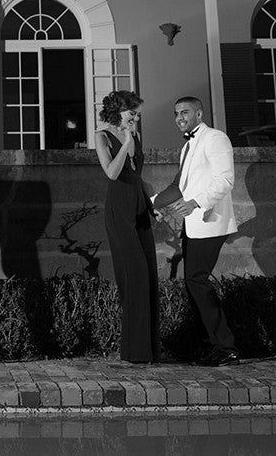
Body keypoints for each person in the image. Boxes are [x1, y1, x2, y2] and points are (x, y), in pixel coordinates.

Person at [154, 96, 239, 366]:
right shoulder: (188, 146)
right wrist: (150, 203)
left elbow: (225, 180)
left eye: (185, 112)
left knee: (197, 281)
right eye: (176, 112)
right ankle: (211, 346)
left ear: (199, 113)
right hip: (194, 226)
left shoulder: (215, 138)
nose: (180, 117)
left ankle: (226, 349)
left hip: (210, 221)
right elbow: (178, 186)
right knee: (194, 284)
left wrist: (195, 202)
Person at [93, 91, 160, 364]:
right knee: (135, 274)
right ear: (118, 110)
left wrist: (149, 204)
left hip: (139, 207)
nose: (136, 118)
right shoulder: (102, 136)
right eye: (132, 113)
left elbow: (136, 174)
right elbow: (112, 172)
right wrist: (126, 141)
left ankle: (149, 350)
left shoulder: (136, 136)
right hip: (119, 209)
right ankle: (134, 351)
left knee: (149, 274)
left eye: (138, 114)